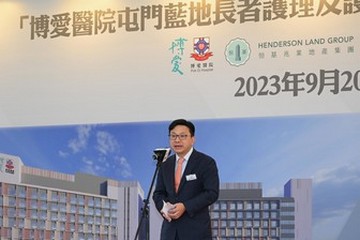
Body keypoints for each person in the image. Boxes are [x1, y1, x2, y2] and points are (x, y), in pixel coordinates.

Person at [152, 119, 220, 240]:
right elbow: (158, 193)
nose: (177, 140)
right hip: (170, 232)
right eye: (173, 136)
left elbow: (211, 193)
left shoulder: (206, 162)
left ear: (192, 139)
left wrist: (185, 206)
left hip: (196, 232)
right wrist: (163, 207)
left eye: (182, 136)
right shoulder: (165, 164)